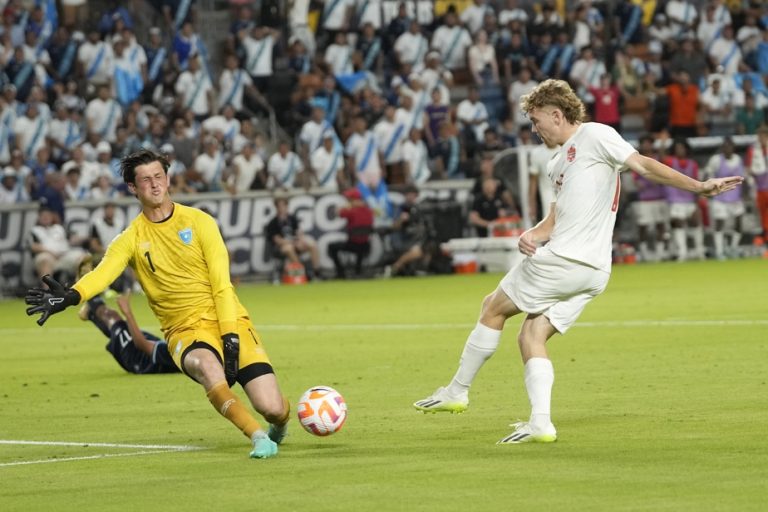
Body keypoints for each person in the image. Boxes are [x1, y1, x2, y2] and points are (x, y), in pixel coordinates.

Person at [412, 79, 742, 444]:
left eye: (537, 121)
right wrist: (534, 233)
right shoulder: (557, 163)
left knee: (492, 307)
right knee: (532, 334)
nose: (535, 130)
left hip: (567, 260)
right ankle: (541, 424)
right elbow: (556, 218)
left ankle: (457, 391)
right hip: (593, 272)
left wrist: (699, 186)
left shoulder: (596, 135)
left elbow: (644, 165)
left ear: (557, 114)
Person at [25, 149, 290, 459]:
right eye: (146, 180)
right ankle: (257, 436)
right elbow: (102, 274)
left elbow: (222, 284)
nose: (155, 185)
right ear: (133, 188)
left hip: (230, 318)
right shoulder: (130, 238)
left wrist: (230, 334)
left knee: (271, 407)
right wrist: (72, 295)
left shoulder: (200, 221)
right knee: (207, 367)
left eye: (159, 177)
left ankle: (278, 425)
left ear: (168, 179)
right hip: (184, 331)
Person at [76, 256, 178, 375]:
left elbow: (141, 344)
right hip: (150, 352)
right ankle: (90, 314)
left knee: (112, 316)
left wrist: (127, 312)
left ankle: (87, 287)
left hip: (136, 358)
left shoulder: (177, 353)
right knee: (120, 327)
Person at [328, 188, 374, 279]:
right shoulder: (368, 211)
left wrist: (345, 206)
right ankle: (358, 271)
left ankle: (341, 273)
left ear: (353, 200)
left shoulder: (352, 211)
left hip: (353, 245)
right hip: (366, 246)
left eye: (348, 199)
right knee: (361, 242)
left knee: (332, 247)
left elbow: (338, 213)